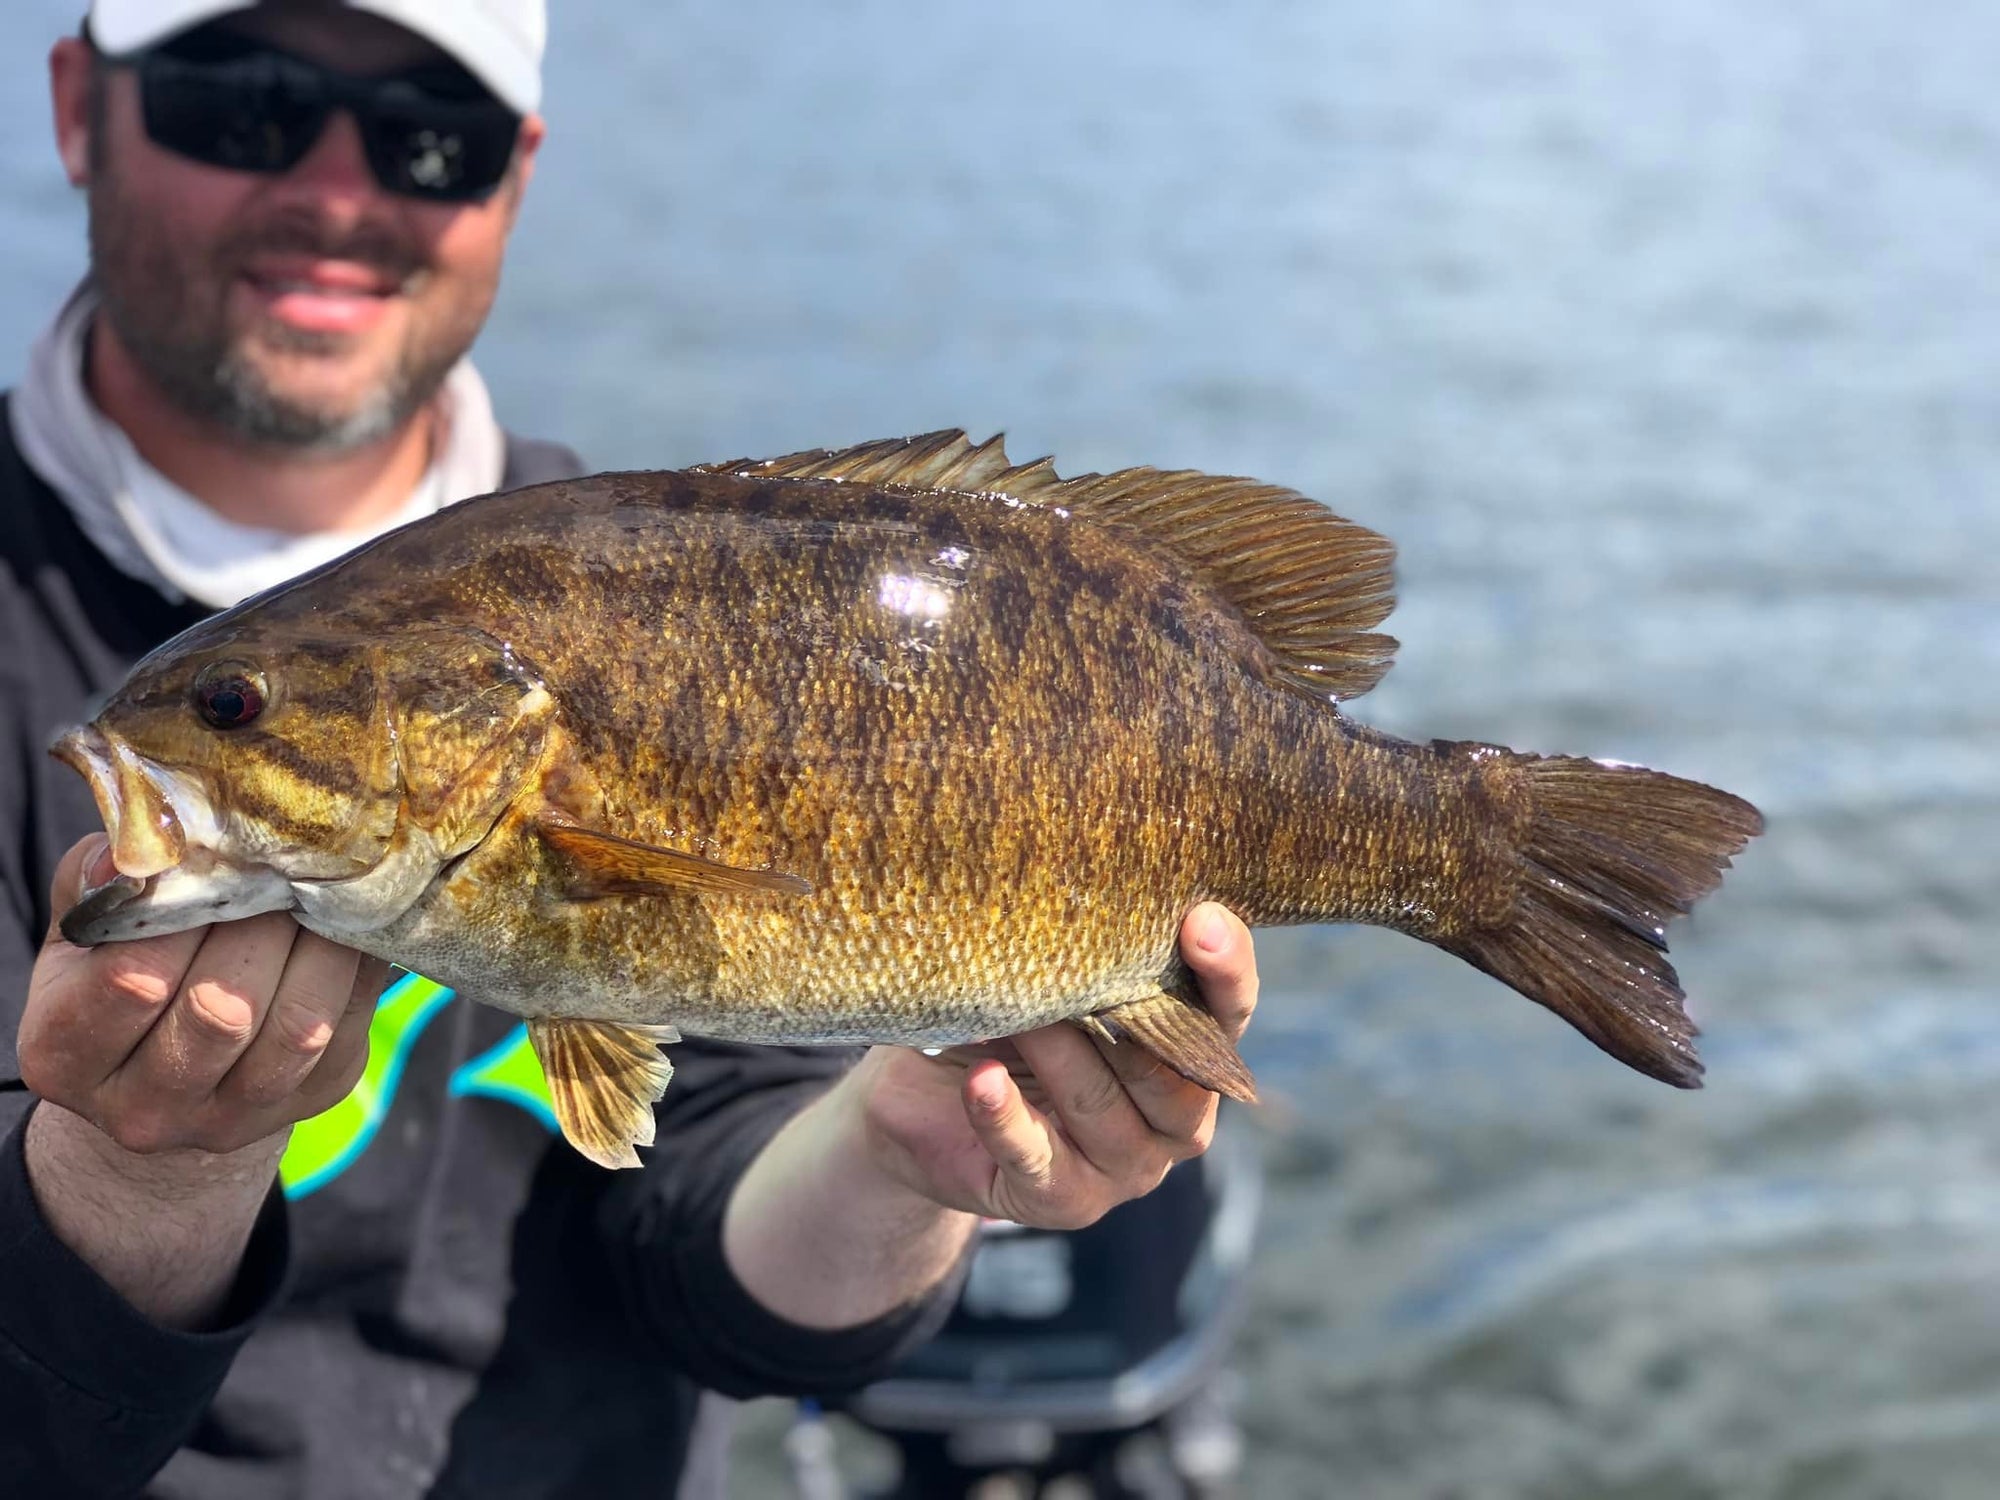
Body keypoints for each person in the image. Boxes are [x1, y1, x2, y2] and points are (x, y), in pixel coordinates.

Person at [0, 3, 1262, 1497]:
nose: (335, 195)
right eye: (241, 105)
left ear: (513, 180)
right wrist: (134, 1180)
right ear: (77, 108)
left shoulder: (634, 578)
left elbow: (710, 1254)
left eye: (429, 135)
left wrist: (896, 1152)